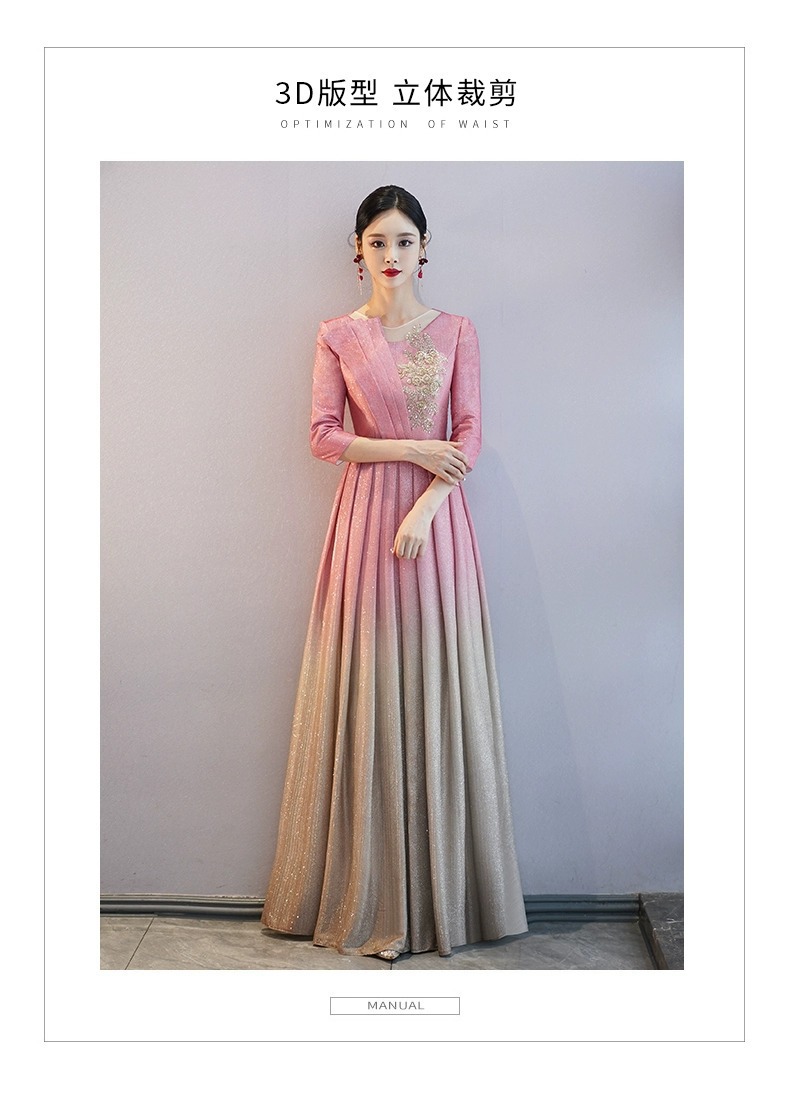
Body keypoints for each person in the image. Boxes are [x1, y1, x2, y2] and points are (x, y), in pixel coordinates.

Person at [260, 185, 528, 960]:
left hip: (436, 527)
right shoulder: (338, 336)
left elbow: (468, 435)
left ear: (424, 248)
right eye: (377, 241)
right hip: (363, 524)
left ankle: (447, 901)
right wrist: (411, 449)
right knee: (368, 685)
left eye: (404, 240)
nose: (391, 254)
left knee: (440, 681)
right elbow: (323, 435)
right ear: (357, 251)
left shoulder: (457, 332)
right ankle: (370, 893)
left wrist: (427, 506)